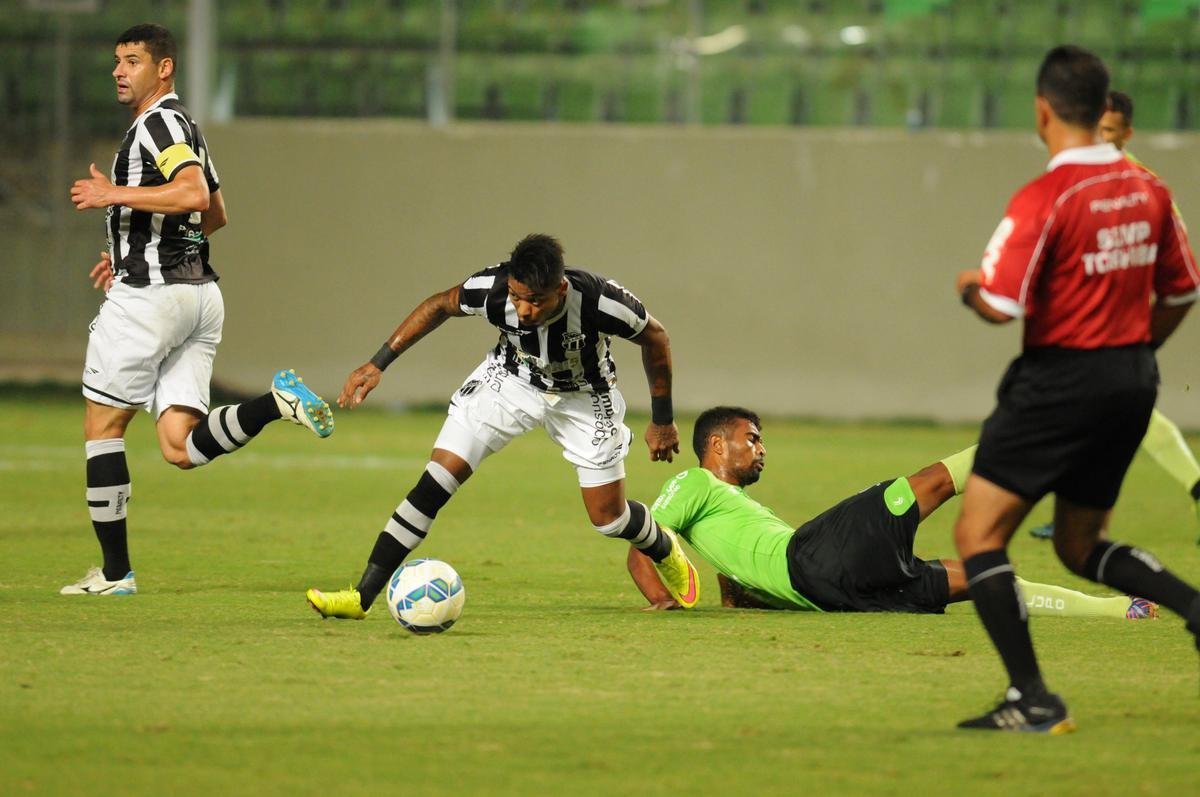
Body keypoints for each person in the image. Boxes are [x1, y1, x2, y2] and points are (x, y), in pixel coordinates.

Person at [953, 46, 1200, 733]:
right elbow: (1183, 290)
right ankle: (1195, 607)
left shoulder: (1046, 196)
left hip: (1059, 382)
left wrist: (969, 288)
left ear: (1043, 111)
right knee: (1079, 542)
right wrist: (1133, 351)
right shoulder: (1149, 189)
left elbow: (1001, 304)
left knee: (977, 532)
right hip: (1132, 379)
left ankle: (1032, 697)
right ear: (1101, 110)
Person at [63, 23, 334, 596]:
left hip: (151, 301)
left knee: (102, 427)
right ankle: (275, 403)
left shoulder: (158, 123)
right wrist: (135, 250)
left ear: (164, 68)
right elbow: (216, 214)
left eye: (132, 60)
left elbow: (191, 194)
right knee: (179, 446)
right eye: (117, 60)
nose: (118, 70)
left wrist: (112, 195)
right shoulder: (184, 123)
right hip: (199, 298)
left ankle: (114, 574)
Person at [305, 233, 699, 618]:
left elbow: (656, 338)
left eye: (536, 300)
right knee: (436, 481)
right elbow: (438, 305)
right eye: (516, 296)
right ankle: (361, 596)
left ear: (560, 289)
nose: (524, 310)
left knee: (609, 520)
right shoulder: (491, 288)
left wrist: (662, 420)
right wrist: (378, 363)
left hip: (584, 396)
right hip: (508, 383)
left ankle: (662, 547)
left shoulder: (600, 301)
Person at [627, 407, 1156, 622]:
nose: (762, 449)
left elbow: (753, 575)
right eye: (753, 438)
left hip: (833, 595)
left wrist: (744, 595)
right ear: (717, 444)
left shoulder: (740, 509)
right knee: (931, 483)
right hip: (813, 559)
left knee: (981, 579)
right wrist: (661, 598)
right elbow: (644, 541)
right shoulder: (694, 482)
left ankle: (1120, 611)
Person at [1029, 89, 1200, 543]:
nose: (1100, 137)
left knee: (1093, 406)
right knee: (1111, 411)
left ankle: (1076, 512)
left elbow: (1170, 242)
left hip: (1116, 311)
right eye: (1095, 128)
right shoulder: (1085, 176)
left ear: (1127, 133)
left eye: (1108, 130)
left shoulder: (1140, 183)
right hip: (1096, 309)